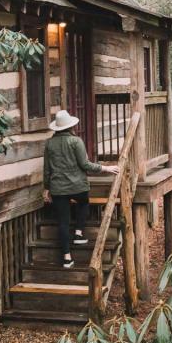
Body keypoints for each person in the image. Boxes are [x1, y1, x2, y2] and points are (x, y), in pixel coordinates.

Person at [42, 110, 119, 268]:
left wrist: (46, 188)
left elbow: (47, 169)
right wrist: (106, 168)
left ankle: (67, 258)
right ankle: (78, 233)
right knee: (83, 203)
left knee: (63, 222)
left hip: (57, 188)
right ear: (71, 126)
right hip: (77, 186)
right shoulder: (76, 141)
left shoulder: (49, 143)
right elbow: (85, 165)